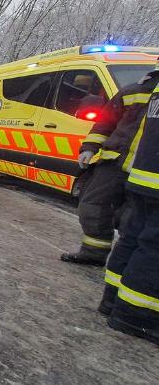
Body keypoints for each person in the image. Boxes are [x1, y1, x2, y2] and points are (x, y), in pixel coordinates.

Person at [61, 71, 159, 266]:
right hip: (114, 161)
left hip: (147, 170)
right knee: (92, 205)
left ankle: (128, 260)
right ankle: (93, 252)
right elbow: (105, 123)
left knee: (133, 218)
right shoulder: (133, 91)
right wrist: (89, 148)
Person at [102, 71, 159, 346]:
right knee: (152, 247)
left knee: (134, 239)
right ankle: (137, 316)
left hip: (143, 174)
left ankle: (112, 299)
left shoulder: (154, 88)